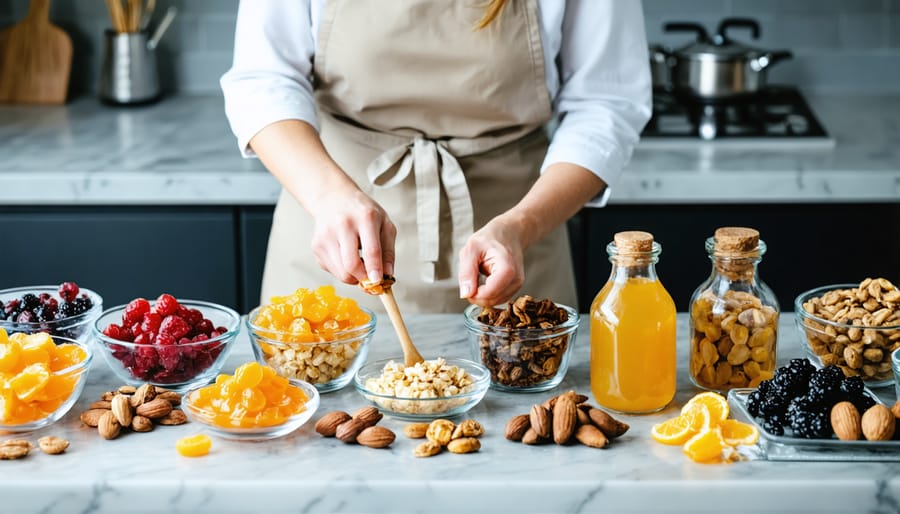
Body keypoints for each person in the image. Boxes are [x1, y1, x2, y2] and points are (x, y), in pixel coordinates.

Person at [221, 0, 651, 313]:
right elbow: (264, 79)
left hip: (516, 237)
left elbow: (606, 102)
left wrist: (521, 226)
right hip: (332, 224)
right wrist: (329, 197)